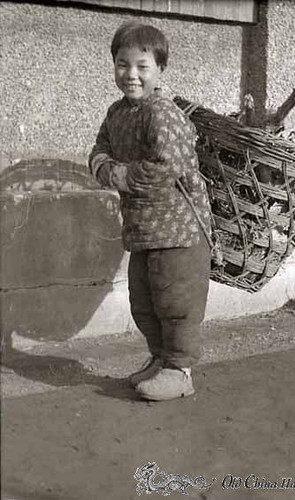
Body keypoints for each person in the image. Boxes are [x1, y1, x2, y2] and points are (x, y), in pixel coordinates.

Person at [88, 22, 211, 401]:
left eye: (142, 66)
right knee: (143, 300)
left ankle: (180, 370)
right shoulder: (116, 112)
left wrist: (118, 173)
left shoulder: (163, 112)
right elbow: (98, 152)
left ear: (160, 69)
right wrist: (104, 167)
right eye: (122, 64)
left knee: (177, 303)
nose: (131, 75)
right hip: (144, 229)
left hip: (180, 229)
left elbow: (166, 166)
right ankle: (160, 360)